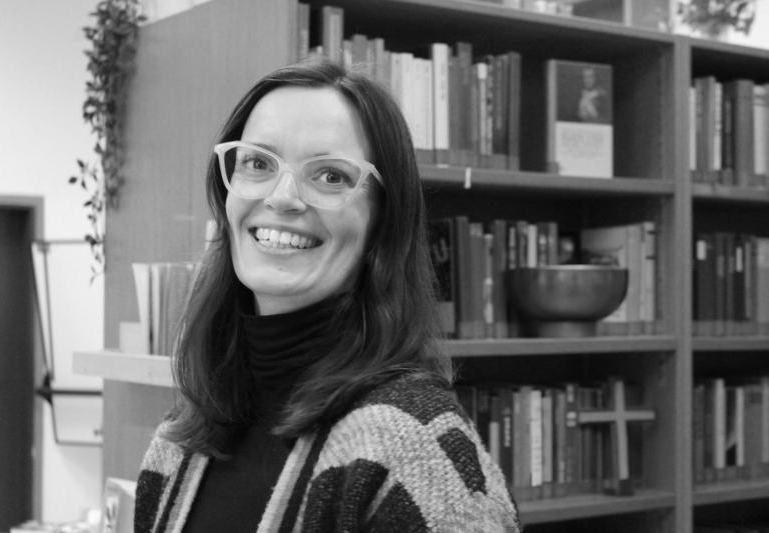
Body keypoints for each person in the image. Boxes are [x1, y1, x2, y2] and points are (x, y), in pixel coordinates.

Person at [134, 59, 520, 533]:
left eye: (331, 176)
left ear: (382, 223)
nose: (282, 197)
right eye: (258, 163)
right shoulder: (177, 444)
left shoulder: (418, 450)